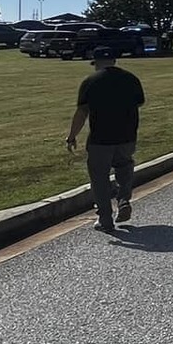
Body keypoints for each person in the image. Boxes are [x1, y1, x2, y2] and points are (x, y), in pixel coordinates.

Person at [66, 45, 145, 233]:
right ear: (114, 60)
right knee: (124, 168)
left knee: (99, 177)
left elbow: (82, 112)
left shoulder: (90, 82)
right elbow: (139, 102)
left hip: (100, 138)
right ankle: (124, 198)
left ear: (97, 62)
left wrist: (71, 136)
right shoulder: (131, 79)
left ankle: (105, 218)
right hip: (127, 135)